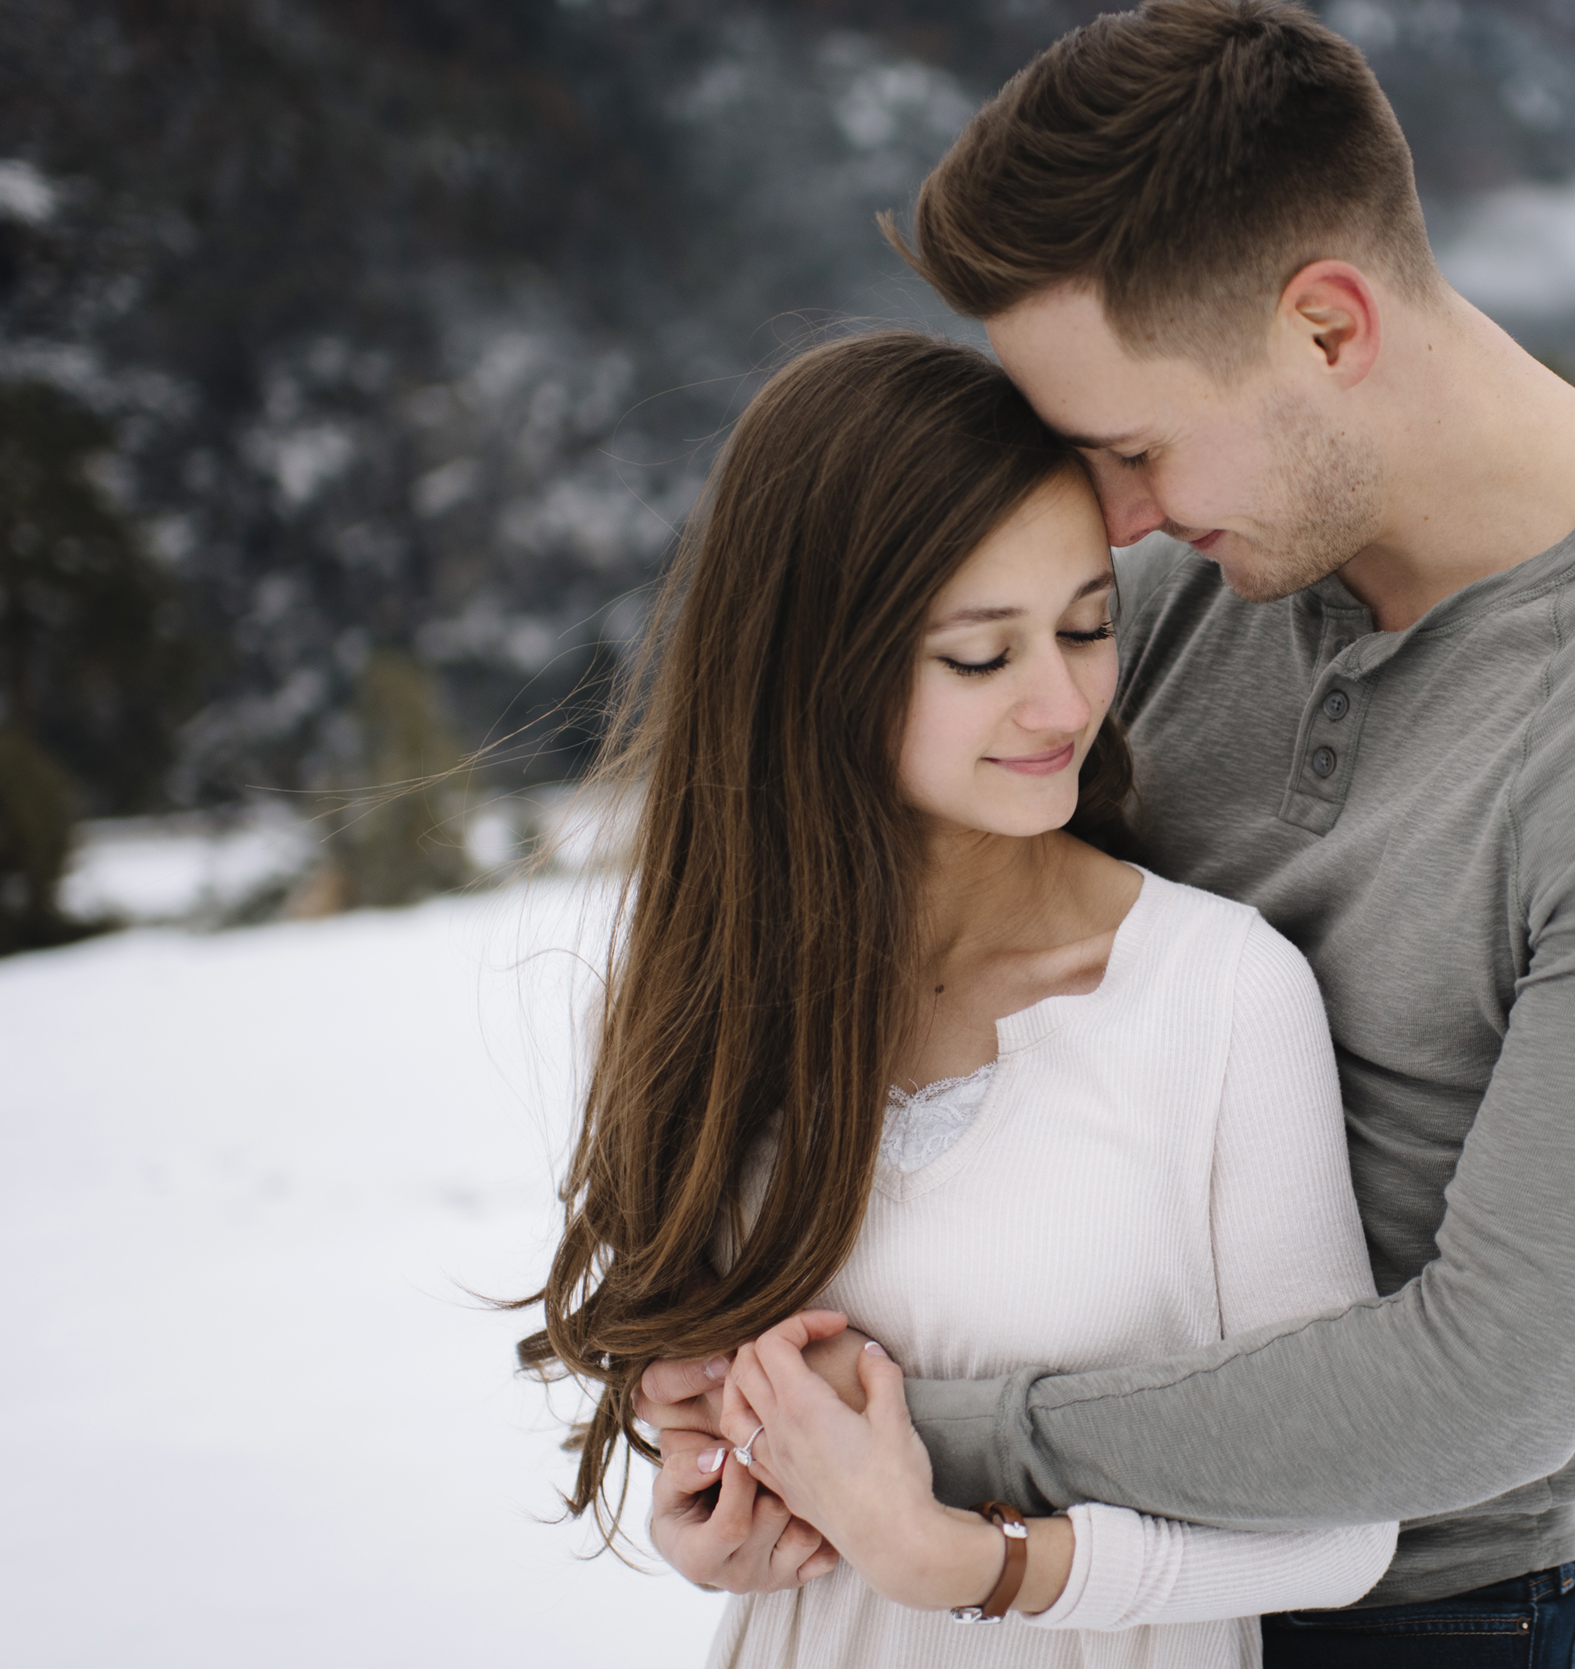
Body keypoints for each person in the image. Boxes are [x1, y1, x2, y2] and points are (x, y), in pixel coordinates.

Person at [642, 2, 1575, 1664]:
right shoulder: (1173, 588)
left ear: (1324, 326)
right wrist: (734, 1397)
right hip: (1002, 1583)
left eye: (1136, 444)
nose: (1123, 514)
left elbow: (1493, 1382)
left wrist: (903, 1439)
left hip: (1413, 1613)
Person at [520, 329, 1398, 1667]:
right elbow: (719, 1421)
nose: (1062, 700)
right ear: (820, 668)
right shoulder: (715, 997)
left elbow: (1343, 1524)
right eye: (981, 656)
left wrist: (981, 1563)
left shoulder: (1217, 995)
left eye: (1089, 626)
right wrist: (717, 1507)